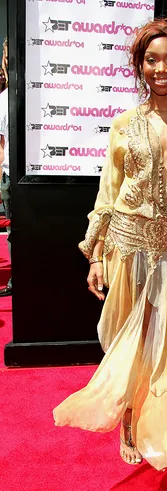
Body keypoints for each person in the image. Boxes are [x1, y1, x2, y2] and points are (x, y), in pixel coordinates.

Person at [53, 18, 167, 491]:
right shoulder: (124, 125)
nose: (161, 69)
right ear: (139, 65)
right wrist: (95, 254)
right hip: (130, 250)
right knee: (132, 342)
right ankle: (131, 418)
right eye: (152, 60)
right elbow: (108, 193)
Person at [0, 37, 11, 297]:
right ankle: (16, 280)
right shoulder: (2, 101)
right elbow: (1, 145)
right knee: (12, 231)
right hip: (10, 176)